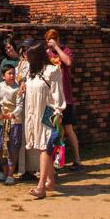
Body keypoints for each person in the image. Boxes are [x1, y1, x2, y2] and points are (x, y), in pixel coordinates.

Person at [22, 43, 63, 198]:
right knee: (42, 147)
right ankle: (50, 180)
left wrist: (57, 112)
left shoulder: (52, 71)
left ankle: (41, 187)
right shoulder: (31, 72)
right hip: (34, 114)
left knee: (45, 147)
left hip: (48, 112)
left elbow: (58, 94)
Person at [43, 28, 81, 169]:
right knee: (52, 130)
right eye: (48, 39)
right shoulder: (46, 54)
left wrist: (57, 48)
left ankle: (77, 159)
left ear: (58, 39)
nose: (50, 42)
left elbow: (69, 62)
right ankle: (54, 161)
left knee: (68, 128)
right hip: (51, 98)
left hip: (65, 97)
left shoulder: (64, 50)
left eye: (52, 39)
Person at [0, 61, 24, 185]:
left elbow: (20, 106)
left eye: (13, 73)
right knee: (0, 146)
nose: (12, 75)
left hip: (15, 122)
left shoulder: (18, 88)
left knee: (13, 148)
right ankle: (4, 172)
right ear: (3, 76)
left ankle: (10, 174)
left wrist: (12, 114)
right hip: (2, 122)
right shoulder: (1, 86)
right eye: (9, 73)